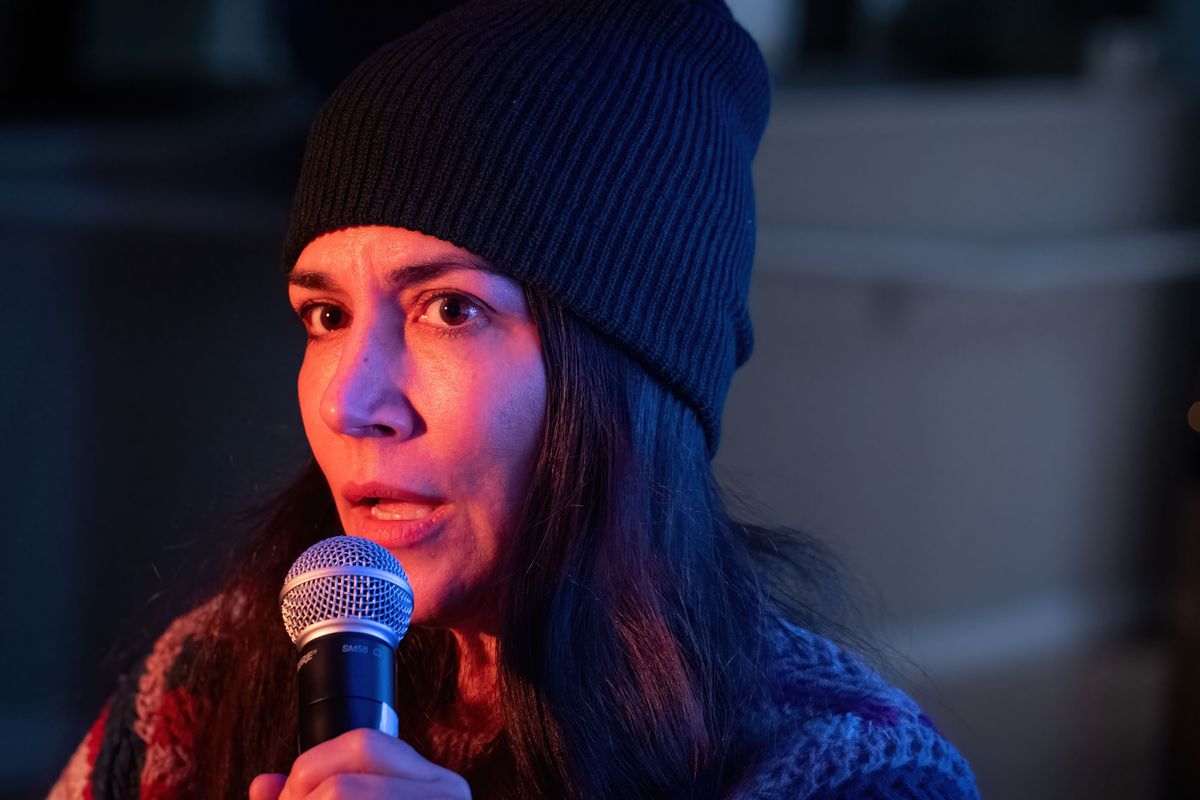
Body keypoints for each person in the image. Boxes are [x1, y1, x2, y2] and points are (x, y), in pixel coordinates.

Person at [48, 0, 982, 798]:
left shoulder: (846, 768)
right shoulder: (207, 676)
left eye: (449, 308)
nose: (352, 400)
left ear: (627, 377)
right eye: (325, 314)